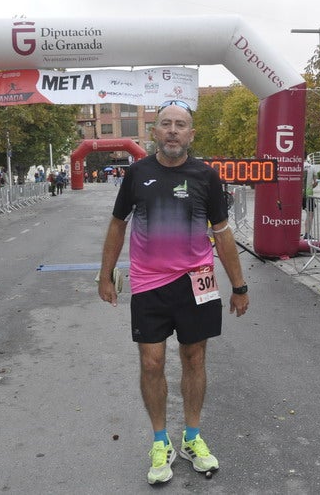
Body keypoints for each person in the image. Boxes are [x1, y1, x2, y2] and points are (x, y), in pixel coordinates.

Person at [97, 100, 249, 485]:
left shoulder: (206, 177)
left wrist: (239, 286)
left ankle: (193, 437)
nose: (172, 131)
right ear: (155, 131)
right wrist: (105, 275)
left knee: (195, 359)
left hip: (197, 280)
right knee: (151, 363)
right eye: (165, 124)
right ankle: (160, 440)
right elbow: (118, 224)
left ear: (191, 134)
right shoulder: (136, 173)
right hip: (149, 282)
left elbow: (223, 233)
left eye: (180, 125)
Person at [302, 157, 318, 239]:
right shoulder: (311, 167)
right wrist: (310, 187)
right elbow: (315, 182)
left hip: (296, 195)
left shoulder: (295, 166)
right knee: (310, 214)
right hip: (308, 194)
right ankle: (307, 234)